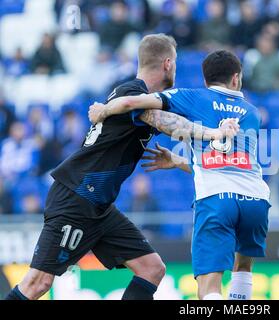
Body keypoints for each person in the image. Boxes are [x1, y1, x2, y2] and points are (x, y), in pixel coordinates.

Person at [3, 34, 237, 301]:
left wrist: (177, 158)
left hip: (99, 207)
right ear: (168, 64)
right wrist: (213, 133)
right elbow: (169, 122)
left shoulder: (131, 96)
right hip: (77, 197)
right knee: (38, 283)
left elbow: (170, 119)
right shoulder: (132, 93)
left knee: (151, 269)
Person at [88, 50, 271, 300]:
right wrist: (177, 161)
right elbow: (226, 162)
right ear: (236, 79)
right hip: (256, 199)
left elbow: (132, 102)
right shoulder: (252, 112)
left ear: (205, 79)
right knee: (242, 269)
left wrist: (104, 110)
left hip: (216, 199)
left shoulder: (193, 97)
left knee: (209, 283)